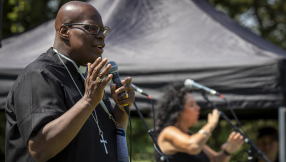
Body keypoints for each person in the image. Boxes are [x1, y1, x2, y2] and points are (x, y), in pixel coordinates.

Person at [5, 1, 135, 162]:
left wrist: (121, 110)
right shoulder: (39, 74)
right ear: (65, 31)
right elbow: (39, 149)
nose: (101, 35)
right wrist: (88, 101)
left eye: (103, 30)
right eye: (92, 28)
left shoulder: (86, 77)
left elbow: (105, 138)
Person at [154, 82, 244, 162]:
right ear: (178, 111)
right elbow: (193, 146)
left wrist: (228, 151)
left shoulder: (190, 135)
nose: (198, 108)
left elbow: (215, 159)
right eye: (192, 105)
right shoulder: (168, 132)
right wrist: (210, 125)